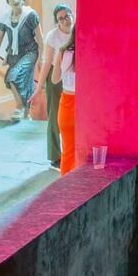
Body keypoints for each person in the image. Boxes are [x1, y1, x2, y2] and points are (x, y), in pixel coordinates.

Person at [0, 0, 40, 121]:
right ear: (8, 1)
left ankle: (19, 107)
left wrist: (43, 58)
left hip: (30, 52)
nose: (15, 0)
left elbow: (40, 38)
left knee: (13, 76)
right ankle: (27, 114)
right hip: (13, 55)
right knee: (26, 83)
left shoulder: (31, 15)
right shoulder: (5, 19)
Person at [39, 4, 74, 170]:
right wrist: (39, 86)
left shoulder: (79, 30)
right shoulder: (53, 36)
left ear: (72, 15)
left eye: (67, 16)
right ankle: (55, 156)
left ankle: (74, 153)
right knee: (55, 115)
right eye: (61, 18)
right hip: (56, 73)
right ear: (57, 22)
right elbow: (47, 62)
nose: (65, 20)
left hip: (74, 74)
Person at [57, 25, 78, 175]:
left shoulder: (63, 51)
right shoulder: (86, 51)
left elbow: (54, 79)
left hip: (65, 103)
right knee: (83, 152)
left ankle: (65, 188)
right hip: (82, 105)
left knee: (68, 151)